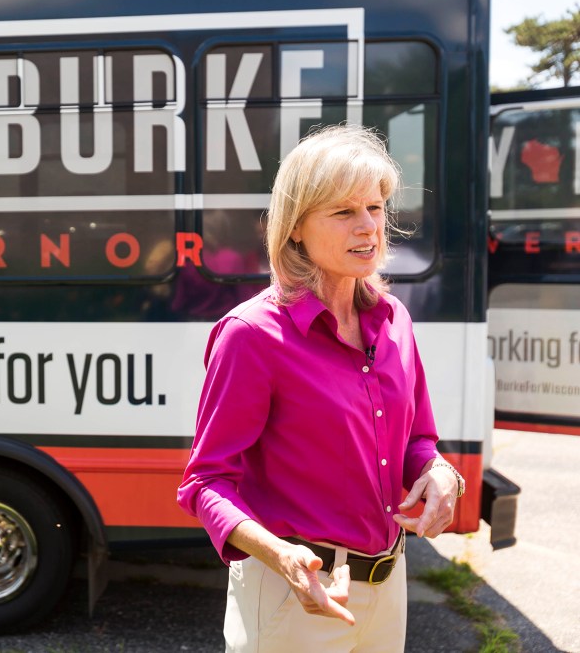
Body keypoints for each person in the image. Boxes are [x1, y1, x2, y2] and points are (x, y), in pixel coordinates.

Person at [177, 124, 465, 652]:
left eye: (374, 207)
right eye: (343, 211)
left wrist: (442, 475)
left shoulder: (394, 319)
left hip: (388, 585)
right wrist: (281, 556)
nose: (368, 226)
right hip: (292, 593)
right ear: (294, 229)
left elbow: (418, 442)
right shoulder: (251, 335)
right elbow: (206, 483)